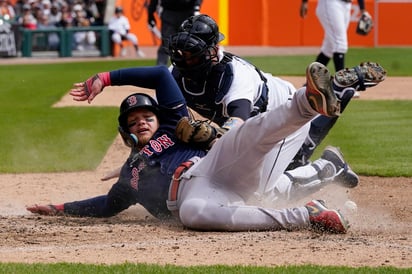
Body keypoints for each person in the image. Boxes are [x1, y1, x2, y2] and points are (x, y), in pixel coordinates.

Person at [27, 62, 350, 233]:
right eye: (133, 121)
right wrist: (60, 208)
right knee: (194, 214)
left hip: (210, 167)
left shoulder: (174, 124)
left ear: (158, 117)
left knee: (248, 135)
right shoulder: (129, 176)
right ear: (125, 132)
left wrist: (106, 78)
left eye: (146, 115)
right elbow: (105, 206)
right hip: (198, 196)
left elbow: (158, 75)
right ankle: (307, 216)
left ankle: (307, 103)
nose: (141, 121)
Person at [167, 15, 386, 186]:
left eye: (193, 53)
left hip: (280, 107)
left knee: (282, 172)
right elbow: (164, 117)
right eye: (183, 52)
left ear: (213, 50)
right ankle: (337, 90)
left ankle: (332, 160)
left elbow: (237, 124)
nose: (186, 59)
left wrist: (213, 136)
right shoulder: (175, 74)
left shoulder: (234, 75)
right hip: (267, 107)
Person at [300, 0, 369, 98]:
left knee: (329, 48)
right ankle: (341, 86)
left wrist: (362, 9)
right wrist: (305, 2)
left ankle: (311, 84)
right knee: (340, 44)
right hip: (331, 3)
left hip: (346, 5)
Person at [147, 0, 202, 66]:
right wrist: (151, 12)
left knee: (188, 45)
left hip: (186, 12)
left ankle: (189, 71)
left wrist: (196, 6)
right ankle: (160, 71)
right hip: (170, 12)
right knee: (166, 44)